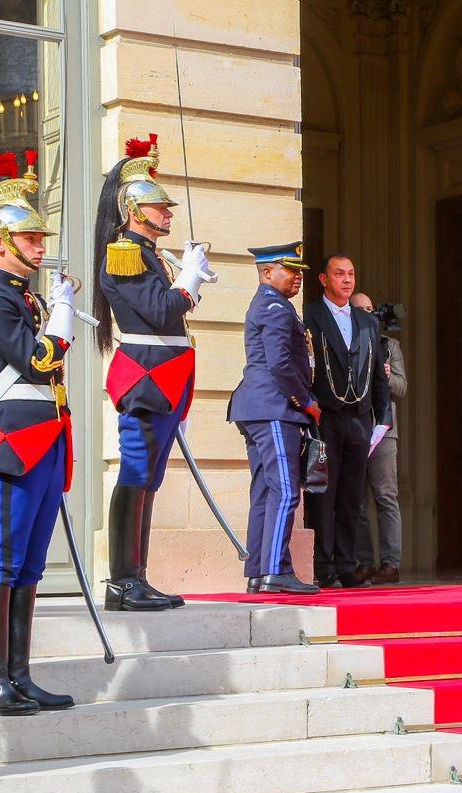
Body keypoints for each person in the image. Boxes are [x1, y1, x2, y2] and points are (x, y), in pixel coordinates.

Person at [92, 134, 214, 612]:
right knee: (136, 474)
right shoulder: (124, 252)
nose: (167, 214)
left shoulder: (149, 255)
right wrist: (189, 281)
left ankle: (136, 576)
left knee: (150, 479)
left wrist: (186, 280)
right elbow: (162, 311)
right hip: (147, 379)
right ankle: (122, 581)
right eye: (159, 207)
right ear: (133, 210)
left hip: (165, 378)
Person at [0, 154, 76, 714]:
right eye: (29, 239)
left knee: (29, 563)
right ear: (1, 242)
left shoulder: (27, 295)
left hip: (45, 438)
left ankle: (19, 675)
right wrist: (62, 321)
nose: (40, 247)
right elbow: (34, 359)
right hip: (13, 442)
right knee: (3, 559)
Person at [229, 242, 321, 595]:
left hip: (261, 407)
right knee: (284, 491)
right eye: (291, 270)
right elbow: (280, 364)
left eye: (300, 271)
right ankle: (274, 571)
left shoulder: (274, 305)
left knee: (266, 491)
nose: (298, 277)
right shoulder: (275, 308)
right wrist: (306, 403)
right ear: (268, 272)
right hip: (274, 408)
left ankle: (259, 571)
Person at [303, 254, 391, 588]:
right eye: (339, 274)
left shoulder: (367, 321)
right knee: (324, 495)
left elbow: (379, 374)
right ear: (324, 280)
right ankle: (323, 566)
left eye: (351, 274)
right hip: (326, 417)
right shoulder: (309, 314)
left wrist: (382, 417)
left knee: (352, 497)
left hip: (359, 419)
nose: (347, 280)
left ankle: (346, 563)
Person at [351, 292, 405, 585]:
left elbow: (402, 387)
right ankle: (364, 562)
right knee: (356, 498)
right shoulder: (346, 340)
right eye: (361, 309)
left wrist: (387, 375)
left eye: (371, 309)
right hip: (356, 428)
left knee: (386, 496)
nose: (367, 314)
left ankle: (390, 563)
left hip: (384, 430)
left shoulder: (389, 345)